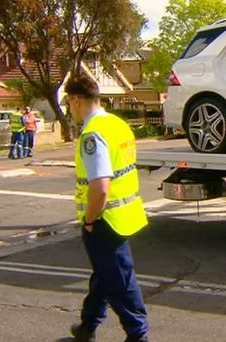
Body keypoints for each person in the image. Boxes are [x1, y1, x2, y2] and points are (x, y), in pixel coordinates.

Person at [65, 75, 150, 342]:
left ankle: (138, 335)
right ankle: (87, 326)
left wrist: (90, 219)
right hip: (125, 214)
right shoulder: (117, 124)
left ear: (77, 99)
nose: (69, 109)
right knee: (105, 273)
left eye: (69, 103)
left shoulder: (92, 134)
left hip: (104, 219)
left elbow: (100, 186)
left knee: (120, 280)